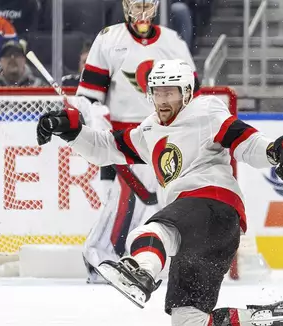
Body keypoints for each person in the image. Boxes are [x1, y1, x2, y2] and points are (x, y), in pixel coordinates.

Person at [35, 59, 283, 326]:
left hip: (212, 205)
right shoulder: (150, 129)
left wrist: (276, 151)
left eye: (171, 92)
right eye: (157, 92)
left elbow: (245, 141)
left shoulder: (206, 110)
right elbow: (106, 147)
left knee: (150, 233)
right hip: (205, 231)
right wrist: (73, 132)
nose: (163, 100)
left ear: (187, 92)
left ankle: (142, 272)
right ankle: (273, 325)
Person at [74, 0, 198, 284]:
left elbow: (192, 91)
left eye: (147, 4)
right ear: (124, 5)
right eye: (135, 4)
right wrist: (94, 119)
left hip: (162, 133)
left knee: (157, 200)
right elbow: (89, 94)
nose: (141, 11)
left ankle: (135, 257)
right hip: (124, 135)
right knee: (127, 197)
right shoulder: (108, 39)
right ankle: (100, 256)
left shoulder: (172, 41)